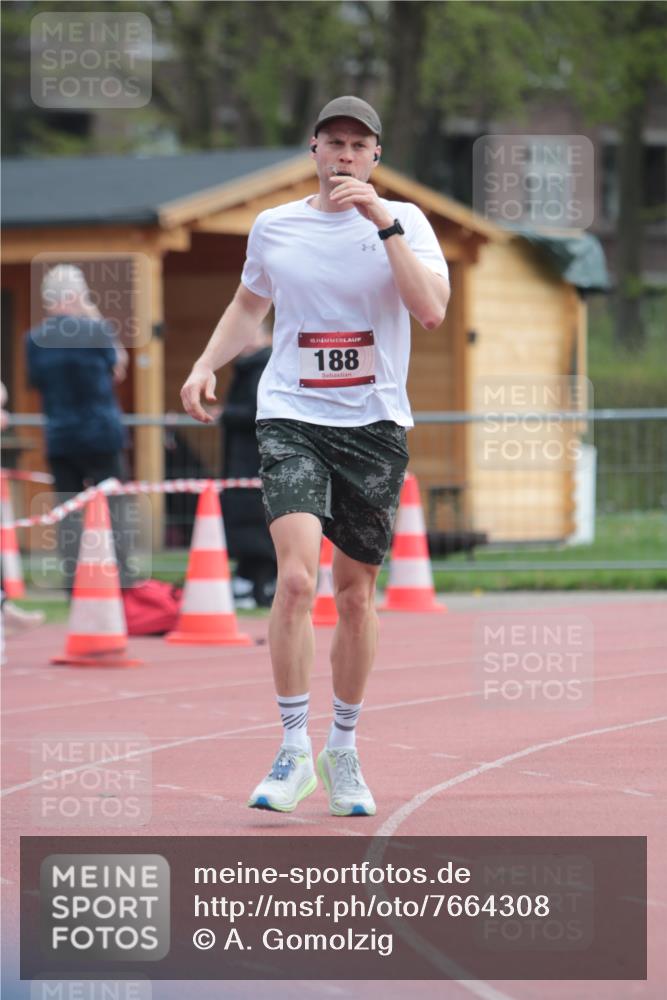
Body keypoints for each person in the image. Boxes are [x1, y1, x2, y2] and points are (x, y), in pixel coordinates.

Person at [181, 96, 450, 816]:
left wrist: (381, 222)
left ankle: (344, 750)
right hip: (291, 414)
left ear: (374, 157)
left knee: (356, 594)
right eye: (332, 142)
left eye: (357, 146)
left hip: (373, 423)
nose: (343, 156)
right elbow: (248, 306)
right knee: (297, 580)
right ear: (313, 149)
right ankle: (293, 747)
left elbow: (430, 310)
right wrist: (206, 362)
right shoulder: (275, 226)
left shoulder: (408, 223)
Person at [25, 265, 131, 594]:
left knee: (68, 513)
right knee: (113, 511)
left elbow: (35, 383)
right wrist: (91, 310)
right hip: (101, 432)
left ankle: (75, 585)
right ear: (75, 295)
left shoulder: (33, 338)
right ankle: (120, 581)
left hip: (60, 435)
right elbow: (119, 367)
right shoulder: (96, 330)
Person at [220, 321, 277, 608]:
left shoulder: (262, 366)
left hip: (255, 461)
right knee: (250, 528)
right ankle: (252, 586)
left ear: (265, 337)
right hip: (244, 461)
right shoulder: (247, 368)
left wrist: (224, 414)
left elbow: (256, 412)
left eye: (249, 334)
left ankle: (260, 586)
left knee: (257, 528)